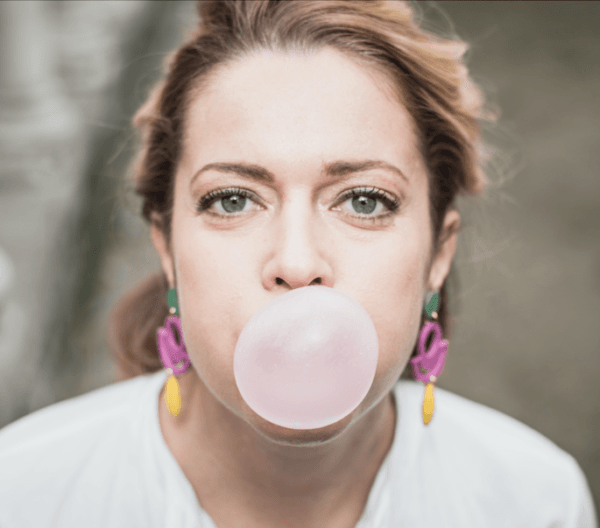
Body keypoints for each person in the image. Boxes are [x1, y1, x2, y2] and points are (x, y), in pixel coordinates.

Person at [0, 1, 597, 527]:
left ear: (439, 253)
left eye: (364, 201)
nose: (297, 261)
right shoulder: (23, 497)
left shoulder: (536, 503)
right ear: (166, 247)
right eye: (232, 200)